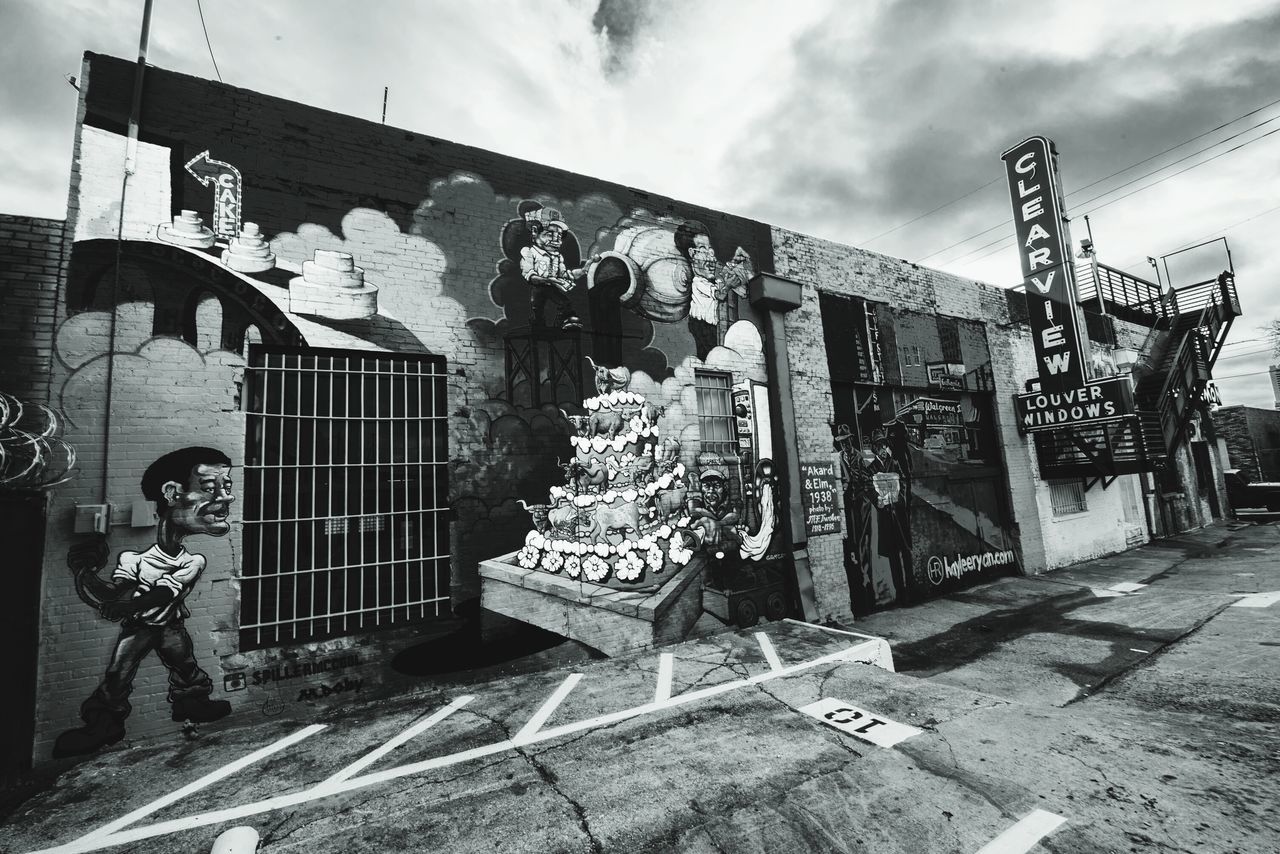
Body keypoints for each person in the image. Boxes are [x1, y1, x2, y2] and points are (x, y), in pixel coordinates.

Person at [54, 447, 237, 758]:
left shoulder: (193, 560)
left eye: (227, 486)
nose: (226, 497)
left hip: (169, 625)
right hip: (140, 628)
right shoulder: (133, 558)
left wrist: (125, 607)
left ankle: (192, 702)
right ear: (172, 493)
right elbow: (113, 593)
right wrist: (84, 572)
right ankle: (105, 723)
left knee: (185, 664)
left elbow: (165, 593)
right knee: (117, 672)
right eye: (208, 488)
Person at [520, 208, 589, 331]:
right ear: (535, 231)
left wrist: (583, 270)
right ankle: (538, 324)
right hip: (540, 287)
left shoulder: (557, 256)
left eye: (559, 235)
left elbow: (564, 274)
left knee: (564, 303)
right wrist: (549, 280)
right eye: (550, 234)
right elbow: (530, 276)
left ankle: (564, 322)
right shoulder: (529, 252)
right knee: (537, 307)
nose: (556, 240)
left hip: (551, 287)